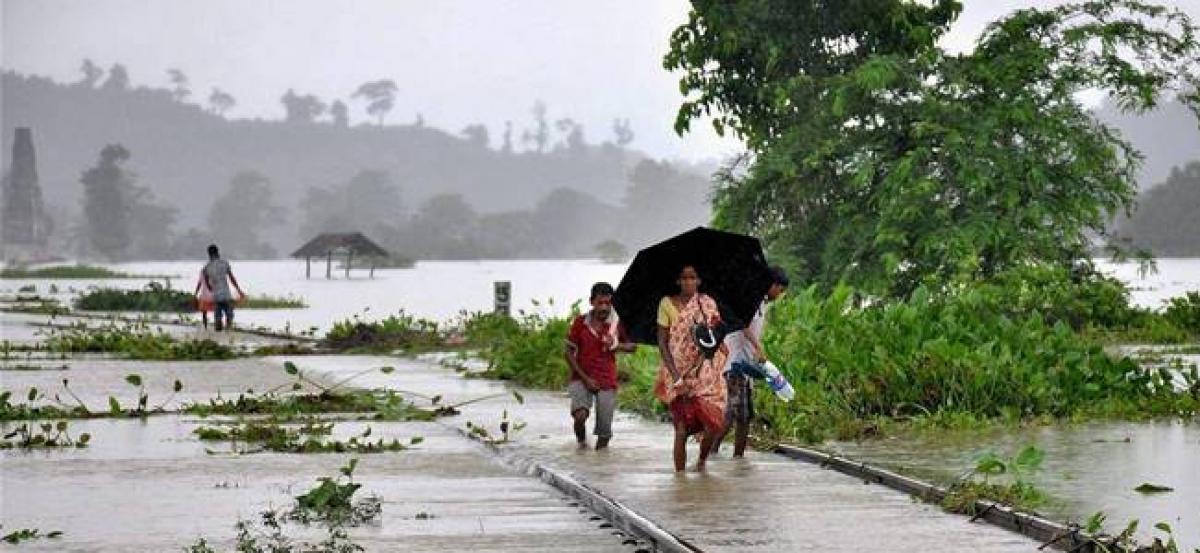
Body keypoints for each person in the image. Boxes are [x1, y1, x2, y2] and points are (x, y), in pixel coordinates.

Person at [653, 265, 728, 472]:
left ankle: (702, 463)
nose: (688, 282)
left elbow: (718, 334)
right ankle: (680, 478)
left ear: (699, 281)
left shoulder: (707, 303)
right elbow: (663, 342)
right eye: (683, 278)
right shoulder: (666, 304)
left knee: (713, 424)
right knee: (681, 430)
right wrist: (677, 378)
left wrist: (711, 344)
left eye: (692, 277)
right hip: (677, 372)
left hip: (706, 373)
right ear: (677, 281)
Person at [712, 265, 789, 458]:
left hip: (745, 367)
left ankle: (732, 456)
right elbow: (743, 326)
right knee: (737, 414)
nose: (780, 294)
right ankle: (715, 453)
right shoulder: (752, 302)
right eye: (780, 289)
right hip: (736, 364)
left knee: (740, 415)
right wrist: (758, 348)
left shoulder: (760, 304)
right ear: (772, 284)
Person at [565, 282, 635, 450]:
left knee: (604, 432)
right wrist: (586, 379)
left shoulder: (617, 324)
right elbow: (567, 353)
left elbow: (632, 347)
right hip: (581, 377)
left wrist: (615, 344)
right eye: (600, 303)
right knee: (580, 416)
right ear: (592, 302)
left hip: (606, 379)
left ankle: (599, 463)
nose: (604, 307)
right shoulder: (581, 323)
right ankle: (581, 444)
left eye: (608, 303)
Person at [202, 244, 245, 331]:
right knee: (229, 314)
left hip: (216, 295)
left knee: (218, 316)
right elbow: (232, 278)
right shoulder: (224, 263)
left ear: (209, 254)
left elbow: (206, 282)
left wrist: (211, 289)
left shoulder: (207, 267)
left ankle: (219, 332)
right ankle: (228, 330)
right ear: (218, 253)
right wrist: (238, 290)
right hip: (226, 294)